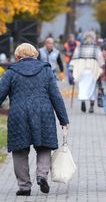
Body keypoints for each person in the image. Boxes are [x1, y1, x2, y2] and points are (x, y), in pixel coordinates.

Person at [0, 43, 69, 196]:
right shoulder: (45, 70)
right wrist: (64, 119)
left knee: (19, 149)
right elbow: (55, 96)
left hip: (19, 113)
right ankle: (42, 175)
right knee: (44, 146)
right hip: (43, 112)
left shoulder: (11, 72)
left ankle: (24, 187)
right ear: (35, 55)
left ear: (18, 57)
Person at [70, 31, 104, 113]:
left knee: (82, 87)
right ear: (93, 38)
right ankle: (91, 106)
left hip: (81, 71)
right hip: (92, 70)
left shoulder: (79, 47)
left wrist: (71, 69)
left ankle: (83, 101)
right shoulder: (96, 48)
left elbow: (74, 59)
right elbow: (101, 60)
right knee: (92, 89)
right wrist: (102, 67)